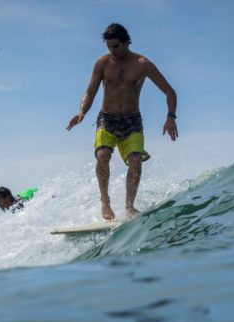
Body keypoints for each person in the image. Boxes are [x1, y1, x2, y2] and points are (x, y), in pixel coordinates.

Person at [66, 23, 178, 220]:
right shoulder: (102, 63)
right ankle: (105, 201)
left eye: (116, 46)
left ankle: (129, 206)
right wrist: (82, 112)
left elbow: (170, 91)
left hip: (132, 120)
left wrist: (170, 117)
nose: (112, 51)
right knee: (102, 155)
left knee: (135, 161)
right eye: (108, 46)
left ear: (127, 42)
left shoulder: (143, 64)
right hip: (107, 118)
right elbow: (90, 91)